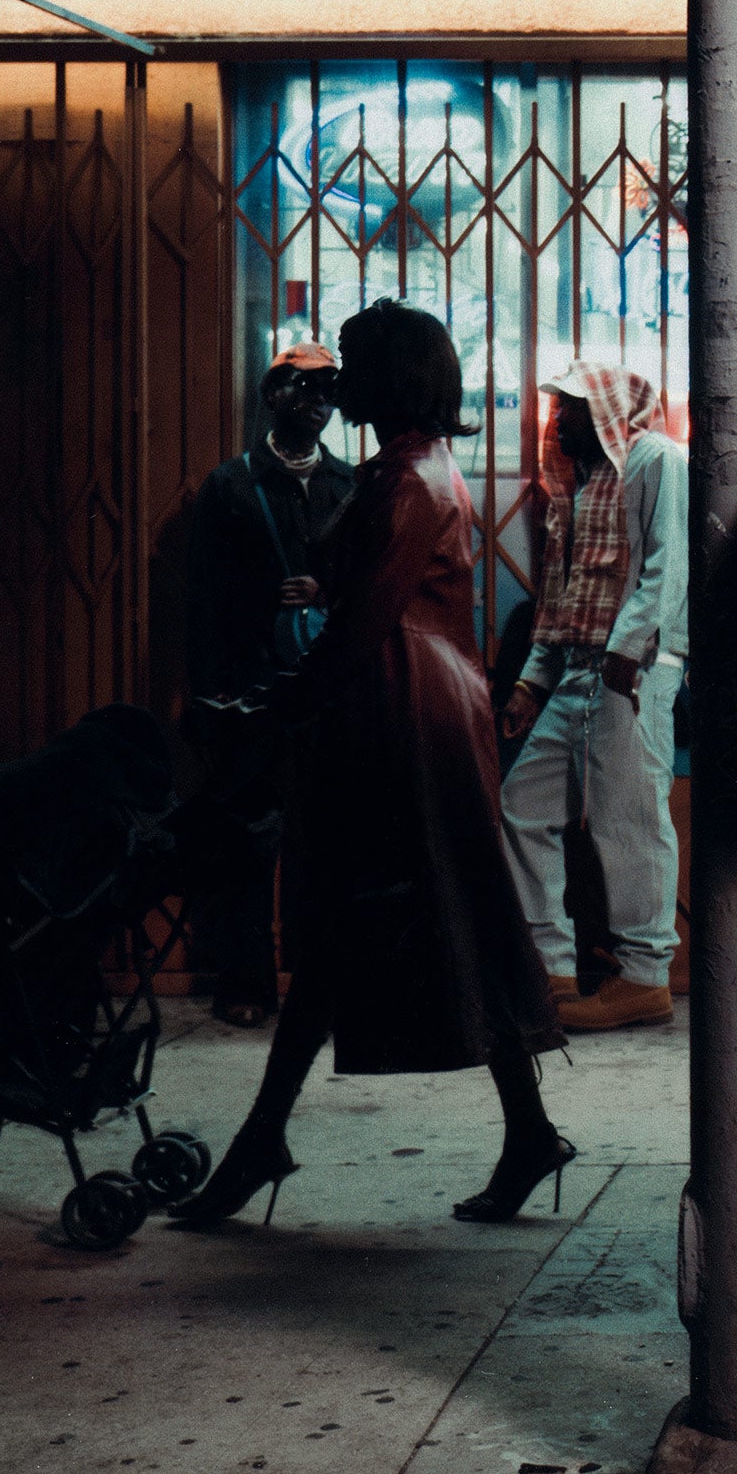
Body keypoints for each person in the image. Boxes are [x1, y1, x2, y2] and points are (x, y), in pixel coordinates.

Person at [170, 301, 570, 1229]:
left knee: (384, 916)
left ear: (388, 374)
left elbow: (361, 625)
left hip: (403, 714)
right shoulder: (405, 468)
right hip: (404, 706)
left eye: (350, 360)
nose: (337, 378)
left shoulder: (405, 478)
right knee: (423, 914)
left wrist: (285, 701)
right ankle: (522, 1134)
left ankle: (266, 1139)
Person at [500, 362, 688, 1031]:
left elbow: (670, 564)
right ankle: (548, 966)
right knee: (522, 804)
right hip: (578, 669)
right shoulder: (575, 486)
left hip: (631, 670)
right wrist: (532, 681)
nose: (558, 420)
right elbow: (564, 595)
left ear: (607, 409)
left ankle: (643, 977)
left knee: (629, 822)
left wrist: (628, 649)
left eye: (571, 407)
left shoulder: (655, 459)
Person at [184, 346, 355, 1026]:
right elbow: (201, 599)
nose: (317, 399)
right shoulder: (230, 486)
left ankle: (318, 981)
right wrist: (204, 694)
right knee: (248, 840)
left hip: (322, 695)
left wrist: (327, 588)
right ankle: (246, 981)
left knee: (325, 842)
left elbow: (372, 580)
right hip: (249, 692)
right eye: (302, 386)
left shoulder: (347, 486)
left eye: (327, 390)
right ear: (271, 395)